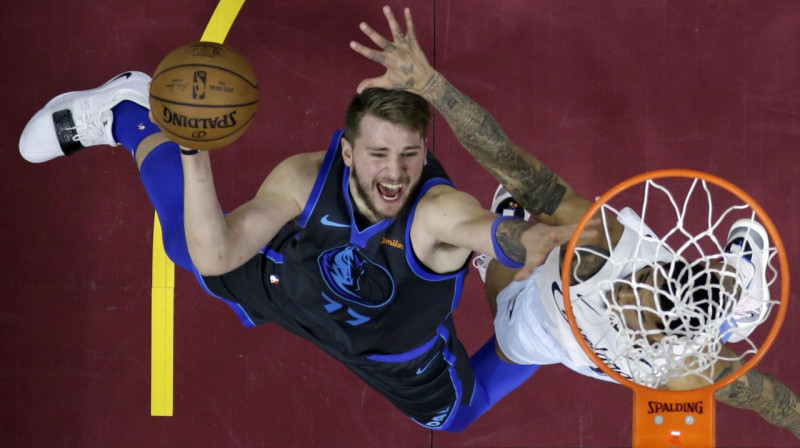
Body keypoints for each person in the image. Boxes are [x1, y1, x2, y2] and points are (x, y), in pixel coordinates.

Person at [17, 7, 599, 433]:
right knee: (188, 248)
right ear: (345, 153)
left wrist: (523, 237)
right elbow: (218, 255)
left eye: (410, 155)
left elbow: (483, 231)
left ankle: (553, 325)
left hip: (390, 349)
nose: (395, 173)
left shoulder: (435, 212)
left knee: (453, 416)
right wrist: (192, 149)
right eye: (377, 155)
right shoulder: (303, 179)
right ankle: (129, 113)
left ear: (425, 153)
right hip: (296, 288)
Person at [349, 6, 800, 439]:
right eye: (640, 278)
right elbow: (509, 160)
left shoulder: (685, 370)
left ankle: (738, 294)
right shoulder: (603, 247)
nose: (622, 289)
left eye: (632, 303)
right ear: (657, 268)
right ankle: (735, 280)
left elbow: (770, 400)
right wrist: (432, 86)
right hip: (553, 304)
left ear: (660, 335)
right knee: (510, 256)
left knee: (455, 410)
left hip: (557, 339)